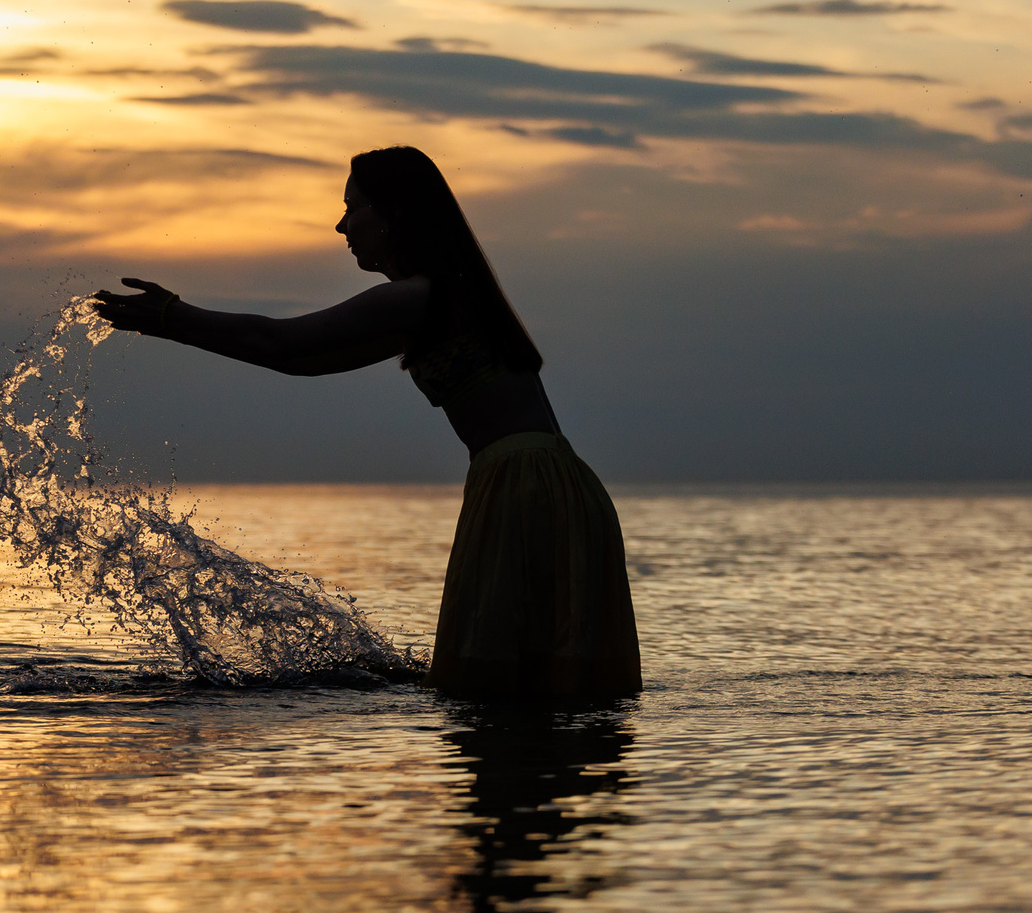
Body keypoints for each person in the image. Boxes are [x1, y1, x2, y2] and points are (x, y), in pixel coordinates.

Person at [91, 145, 641, 699]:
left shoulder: (417, 298)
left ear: (393, 213)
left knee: (489, 693)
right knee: (551, 692)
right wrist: (176, 327)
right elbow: (296, 361)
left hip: (521, 487)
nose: (341, 225)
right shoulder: (443, 297)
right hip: (559, 481)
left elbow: (280, 339)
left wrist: (172, 315)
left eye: (353, 208)